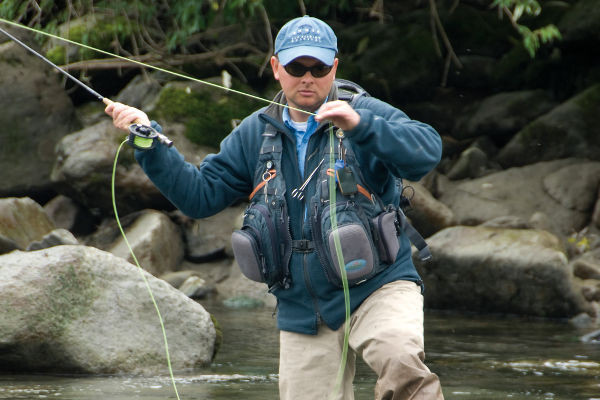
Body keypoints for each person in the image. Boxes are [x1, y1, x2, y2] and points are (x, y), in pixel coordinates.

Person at [106, 15, 444, 400]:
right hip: (303, 306)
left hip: (380, 286)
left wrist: (362, 126)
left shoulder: (365, 113)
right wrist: (149, 145)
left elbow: (426, 152)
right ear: (276, 68)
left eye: (318, 67)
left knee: (400, 361)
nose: (307, 77)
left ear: (334, 67)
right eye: (296, 67)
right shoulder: (254, 132)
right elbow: (199, 197)